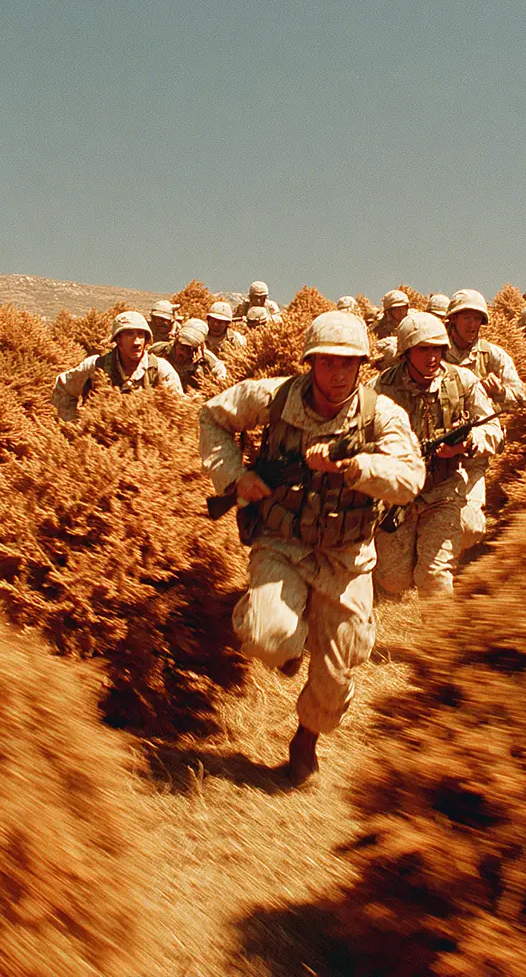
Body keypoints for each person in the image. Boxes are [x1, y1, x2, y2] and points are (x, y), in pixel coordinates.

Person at [199, 311, 424, 784]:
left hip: (347, 556)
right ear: (310, 363)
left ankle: (306, 737)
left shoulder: (381, 414)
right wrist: (236, 476)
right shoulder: (273, 397)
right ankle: (284, 635)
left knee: (337, 673)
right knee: (268, 635)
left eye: (349, 365)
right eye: (327, 364)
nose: (338, 375)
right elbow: (212, 416)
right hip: (281, 542)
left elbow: (409, 480)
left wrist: (357, 467)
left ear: (361, 365)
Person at [371, 312, 502, 599]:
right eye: (423, 349)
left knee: (434, 574)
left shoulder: (463, 381)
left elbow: (494, 430)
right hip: (398, 493)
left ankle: (442, 638)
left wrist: (467, 443)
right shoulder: (379, 387)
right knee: (393, 579)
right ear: (406, 352)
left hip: (444, 489)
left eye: (437, 349)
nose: (432, 357)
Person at [52, 310, 183, 421]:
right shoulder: (96, 366)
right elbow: (64, 387)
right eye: (129, 334)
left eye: (140, 334)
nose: (137, 342)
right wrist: (71, 422)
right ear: (118, 340)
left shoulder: (160, 369)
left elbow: (179, 409)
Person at [445, 290, 526, 408]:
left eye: (477, 319)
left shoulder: (493, 355)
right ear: (453, 319)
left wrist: (500, 393)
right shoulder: (437, 353)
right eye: (467, 318)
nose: (472, 324)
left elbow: (521, 397)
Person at [151, 318, 227, 390]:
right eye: (181, 347)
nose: (184, 352)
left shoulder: (208, 361)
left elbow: (221, 379)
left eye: (190, 348)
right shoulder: (159, 350)